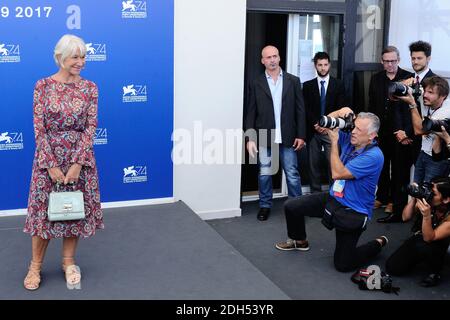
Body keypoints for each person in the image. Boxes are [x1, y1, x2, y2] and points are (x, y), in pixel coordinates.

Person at [23, 34, 104, 290]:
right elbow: (39, 128)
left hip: (79, 157)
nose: (81, 62)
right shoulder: (42, 86)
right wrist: (51, 164)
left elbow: (91, 127)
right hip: (49, 158)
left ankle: (69, 262)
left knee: (73, 210)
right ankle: (34, 267)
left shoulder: (90, 87)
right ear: (60, 57)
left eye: (83, 56)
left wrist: (79, 163)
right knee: (42, 214)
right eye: (75, 56)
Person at [275, 107, 388, 272]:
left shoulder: (374, 156)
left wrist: (334, 142)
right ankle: (299, 241)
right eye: (354, 126)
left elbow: (337, 173)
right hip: (335, 198)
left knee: (343, 264)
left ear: (372, 136)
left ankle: (378, 243)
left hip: (353, 211)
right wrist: (340, 111)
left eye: (359, 129)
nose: (353, 132)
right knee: (292, 205)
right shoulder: (351, 140)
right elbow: (323, 124)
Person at [245, 45, 306, 221]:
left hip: (288, 135)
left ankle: (298, 207)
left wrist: (301, 135)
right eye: (268, 57)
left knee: (292, 174)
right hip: (264, 135)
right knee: (264, 173)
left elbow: (300, 110)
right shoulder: (256, 83)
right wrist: (249, 138)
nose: (272, 60)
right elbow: (250, 112)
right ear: (262, 61)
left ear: (279, 58)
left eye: (275, 56)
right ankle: (265, 205)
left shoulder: (293, 81)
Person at [369, 46, 414, 223]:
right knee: (380, 164)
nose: (390, 64)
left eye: (393, 61)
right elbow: (372, 105)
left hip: (399, 131)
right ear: (382, 61)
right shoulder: (375, 79)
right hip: (380, 130)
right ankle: (381, 196)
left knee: (398, 168)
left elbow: (413, 107)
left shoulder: (408, 78)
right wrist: (371, 129)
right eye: (386, 61)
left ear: (399, 60)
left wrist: (407, 131)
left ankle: (393, 201)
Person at [397, 76, 450, 220]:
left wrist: (412, 104)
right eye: (425, 91)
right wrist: (405, 85)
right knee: (415, 190)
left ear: (443, 96)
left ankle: (427, 229)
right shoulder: (428, 100)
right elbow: (395, 93)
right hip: (423, 153)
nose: (425, 95)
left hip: (437, 160)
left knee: (429, 197)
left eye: (431, 92)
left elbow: (419, 130)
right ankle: (416, 224)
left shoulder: (445, 112)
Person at [386, 177, 450, 287]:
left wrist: (426, 216)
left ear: (445, 199)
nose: (428, 193)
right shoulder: (429, 201)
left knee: (429, 245)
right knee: (393, 267)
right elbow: (405, 217)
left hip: (440, 241)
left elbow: (429, 238)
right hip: (423, 236)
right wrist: (416, 196)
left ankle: (435, 272)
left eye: (433, 192)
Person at [303, 51, 347, 193]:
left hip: (331, 130)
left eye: (325, 65)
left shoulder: (338, 85)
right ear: (315, 66)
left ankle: (333, 193)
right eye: (320, 65)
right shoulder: (308, 86)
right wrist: (316, 124)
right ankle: (314, 194)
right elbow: (306, 108)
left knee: (332, 163)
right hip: (313, 130)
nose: (323, 68)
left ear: (329, 65)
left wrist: (326, 124)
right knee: (313, 164)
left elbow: (341, 108)